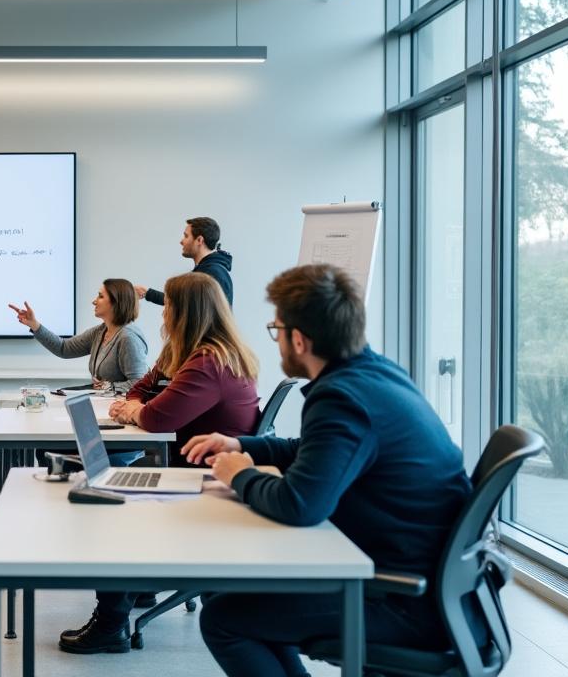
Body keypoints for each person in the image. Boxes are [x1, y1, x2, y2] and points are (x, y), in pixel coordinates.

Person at [182, 264, 472, 677]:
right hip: (430, 585)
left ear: (299, 340)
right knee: (225, 590)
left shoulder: (342, 397)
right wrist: (242, 446)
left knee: (223, 619)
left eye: (276, 330)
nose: (277, 340)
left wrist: (240, 475)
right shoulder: (374, 373)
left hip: (402, 600)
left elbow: (300, 505)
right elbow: (316, 450)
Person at [58, 272, 261, 656]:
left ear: (185, 312)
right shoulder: (190, 353)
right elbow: (142, 387)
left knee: (110, 510)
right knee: (112, 486)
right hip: (198, 473)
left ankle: (110, 626)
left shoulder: (208, 362)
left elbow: (156, 419)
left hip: (204, 483)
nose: (162, 312)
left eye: (167, 306)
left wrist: (136, 410)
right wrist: (137, 405)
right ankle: (136, 591)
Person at [8, 279, 148, 394]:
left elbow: (140, 384)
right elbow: (64, 348)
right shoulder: (100, 332)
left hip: (120, 409)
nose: (94, 301)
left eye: (100, 296)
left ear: (116, 302)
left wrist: (109, 387)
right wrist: (34, 325)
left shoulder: (128, 338)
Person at [136, 216, 234, 307]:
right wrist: (147, 293)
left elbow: (195, 309)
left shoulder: (213, 274)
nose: (181, 241)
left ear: (199, 240)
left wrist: (148, 293)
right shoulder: (206, 271)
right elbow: (185, 302)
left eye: (186, 236)